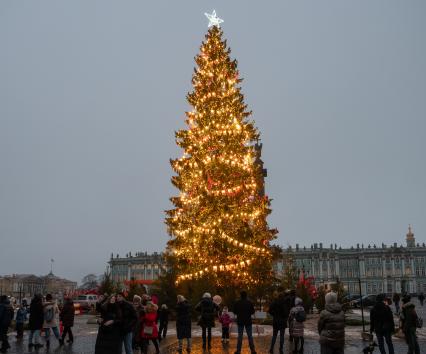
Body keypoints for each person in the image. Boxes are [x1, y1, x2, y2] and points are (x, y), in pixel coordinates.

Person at [268, 289, 291, 354]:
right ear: (283, 297)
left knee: (274, 336)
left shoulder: (274, 302)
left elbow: (270, 311)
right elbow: (286, 313)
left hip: (276, 321)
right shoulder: (284, 303)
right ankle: (280, 348)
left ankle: (271, 348)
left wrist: (274, 314)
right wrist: (285, 316)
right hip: (282, 322)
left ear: (278, 296)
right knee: (282, 336)